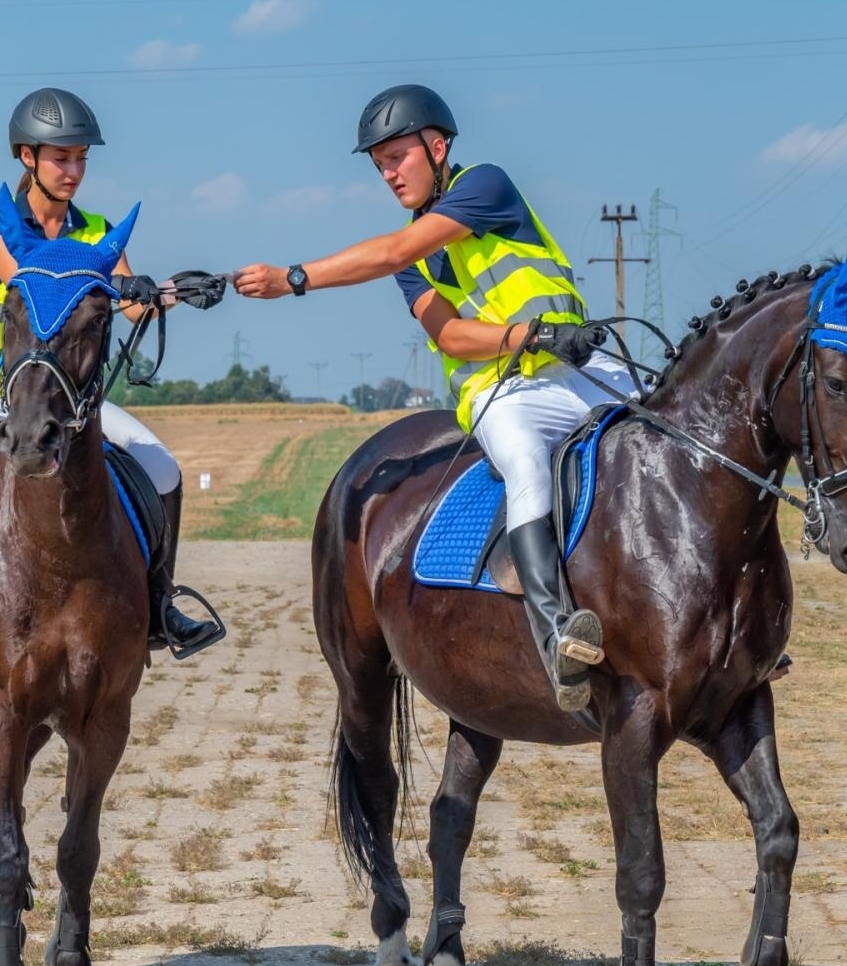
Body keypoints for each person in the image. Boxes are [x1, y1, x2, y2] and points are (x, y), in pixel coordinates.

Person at [233, 84, 635, 713]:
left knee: (668, 434)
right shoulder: (410, 265)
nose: (389, 173)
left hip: (582, 367)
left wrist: (295, 278)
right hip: (507, 391)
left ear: (437, 146)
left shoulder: (485, 185)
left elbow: (397, 246)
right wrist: (525, 334)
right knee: (527, 464)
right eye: (380, 165)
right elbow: (448, 333)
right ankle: (557, 631)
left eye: (397, 157)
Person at [0, 87, 221, 659]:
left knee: (164, 469)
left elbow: (131, 306)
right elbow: (28, 274)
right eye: (62, 157)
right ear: (26, 157)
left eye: (81, 158)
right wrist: (113, 282)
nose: (74, 170)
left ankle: (161, 602)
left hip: (71, 403)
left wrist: (175, 291)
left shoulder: (98, 228)